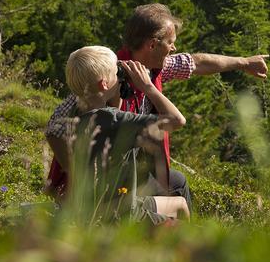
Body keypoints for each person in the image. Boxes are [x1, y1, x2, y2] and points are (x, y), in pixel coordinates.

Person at [44, 3, 268, 204]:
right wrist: (75, 173)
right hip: (109, 182)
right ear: (152, 44)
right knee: (175, 186)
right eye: (170, 42)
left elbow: (196, 62)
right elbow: (55, 127)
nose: (173, 49)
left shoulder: (153, 69)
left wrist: (244, 62)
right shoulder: (110, 76)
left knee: (176, 182)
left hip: (132, 169)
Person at [46, 45, 189, 222]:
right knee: (180, 204)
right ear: (104, 83)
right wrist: (148, 86)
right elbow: (177, 120)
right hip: (123, 214)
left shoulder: (73, 115)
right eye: (117, 73)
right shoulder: (112, 120)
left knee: (176, 195)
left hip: (92, 207)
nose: (119, 77)